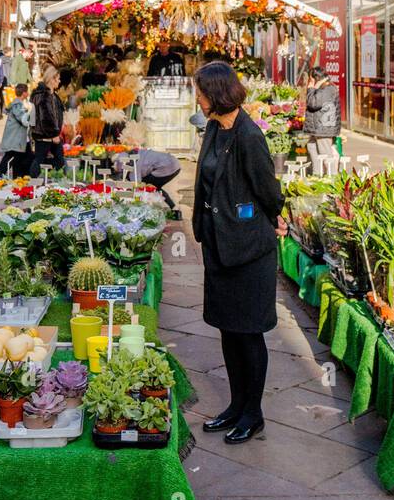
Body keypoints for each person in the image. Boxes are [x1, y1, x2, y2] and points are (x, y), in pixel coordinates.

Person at [192, 61, 287, 445]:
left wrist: (277, 216)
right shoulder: (215, 128)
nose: (196, 99)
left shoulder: (249, 135)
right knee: (229, 331)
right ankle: (235, 405)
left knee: (248, 334)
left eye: (199, 92)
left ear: (215, 94)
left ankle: (253, 413)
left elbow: (267, 188)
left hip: (248, 251)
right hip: (220, 245)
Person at [114, 145, 182, 209]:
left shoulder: (135, 164)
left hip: (168, 167)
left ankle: (147, 208)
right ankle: (172, 207)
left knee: (149, 186)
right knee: (153, 186)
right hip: (175, 164)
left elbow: (136, 184)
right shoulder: (138, 153)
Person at [30, 64, 65, 174]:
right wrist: (54, 134)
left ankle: (49, 181)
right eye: (58, 79)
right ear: (52, 79)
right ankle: (32, 183)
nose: (59, 82)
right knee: (40, 161)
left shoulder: (51, 94)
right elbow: (45, 117)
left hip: (49, 135)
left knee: (57, 161)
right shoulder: (43, 95)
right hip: (45, 135)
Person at [303, 71, 341, 171]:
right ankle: (317, 173)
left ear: (316, 79)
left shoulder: (327, 89)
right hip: (319, 127)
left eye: (311, 80)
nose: (309, 83)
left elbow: (313, 103)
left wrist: (312, 88)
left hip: (324, 128)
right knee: (312, 147)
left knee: (325, 152)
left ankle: (332, 177)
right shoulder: (323, 89)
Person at [0, 83, 35, 177]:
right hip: (15, 139)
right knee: (10, 157)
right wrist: (31, 114)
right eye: (27, 91)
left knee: (23, 158)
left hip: (20, 139)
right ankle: (0, 175)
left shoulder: (18, 103)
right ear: (24, 93)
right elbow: (23, 120)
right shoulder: (17, 105)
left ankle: (20, 178)